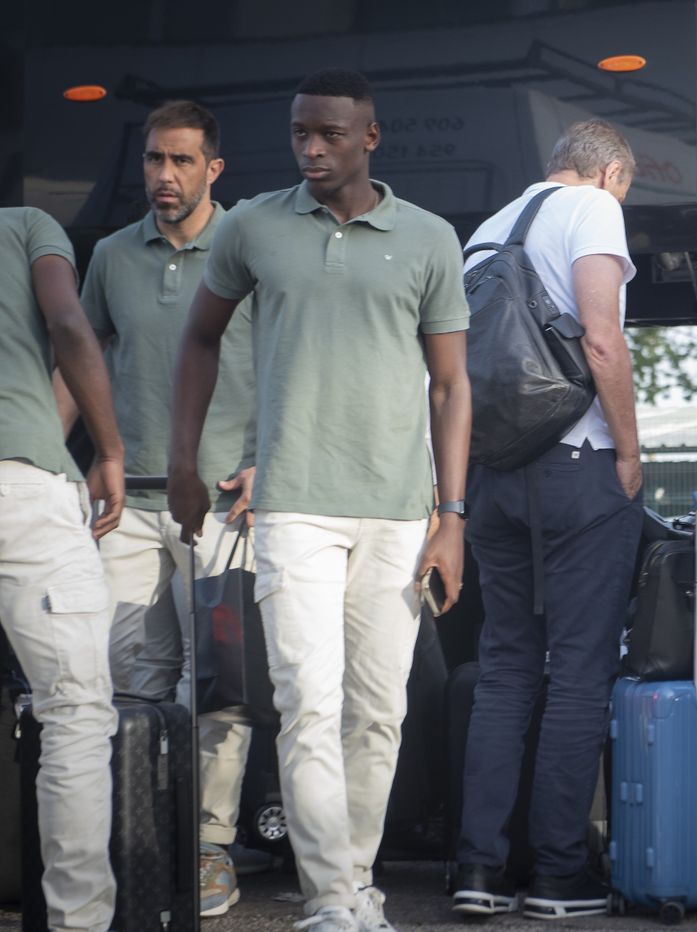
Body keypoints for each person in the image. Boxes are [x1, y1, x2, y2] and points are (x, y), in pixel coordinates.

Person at [168, 68, 472, 932]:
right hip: (292, 503)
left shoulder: (428, 238)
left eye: (330, 134)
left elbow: (451, 389)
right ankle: (334, 899)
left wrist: (451, 518)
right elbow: (199, 337)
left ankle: (355, 881)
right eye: (301, 132)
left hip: (398, 509)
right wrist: (184, 462)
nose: (311, 147)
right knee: (307, 699)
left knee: (379, 712)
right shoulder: (255, 226)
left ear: (368, 138)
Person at [449, 119, 644, 921]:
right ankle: (560, 874)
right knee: (579, 671)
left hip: (495, 476)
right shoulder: (593, 210)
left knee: (504, 671)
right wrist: (629, 453)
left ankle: (479, 870)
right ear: (612, 174)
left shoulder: (486, 231)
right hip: (574, 469)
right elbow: (602, 341)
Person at [74, 100, 256, 917]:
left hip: (225, 504)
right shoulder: (111, 254)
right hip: (131, 501)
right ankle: (141, 842)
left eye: (181, 161)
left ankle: (211, 847)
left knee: (218, 684)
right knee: (128, 681)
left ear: (213, 168)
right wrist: (47, 460)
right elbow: (81, 362)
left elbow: (292, 357)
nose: (164, 176)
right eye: (153, 160)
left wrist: (264, 461)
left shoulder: (249, 247)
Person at [0, 205, 124, 931]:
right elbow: (71, 326)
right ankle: (77, 922)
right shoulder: (24, 225)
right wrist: (107, 450)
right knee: (74, 711)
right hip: (22, 487)